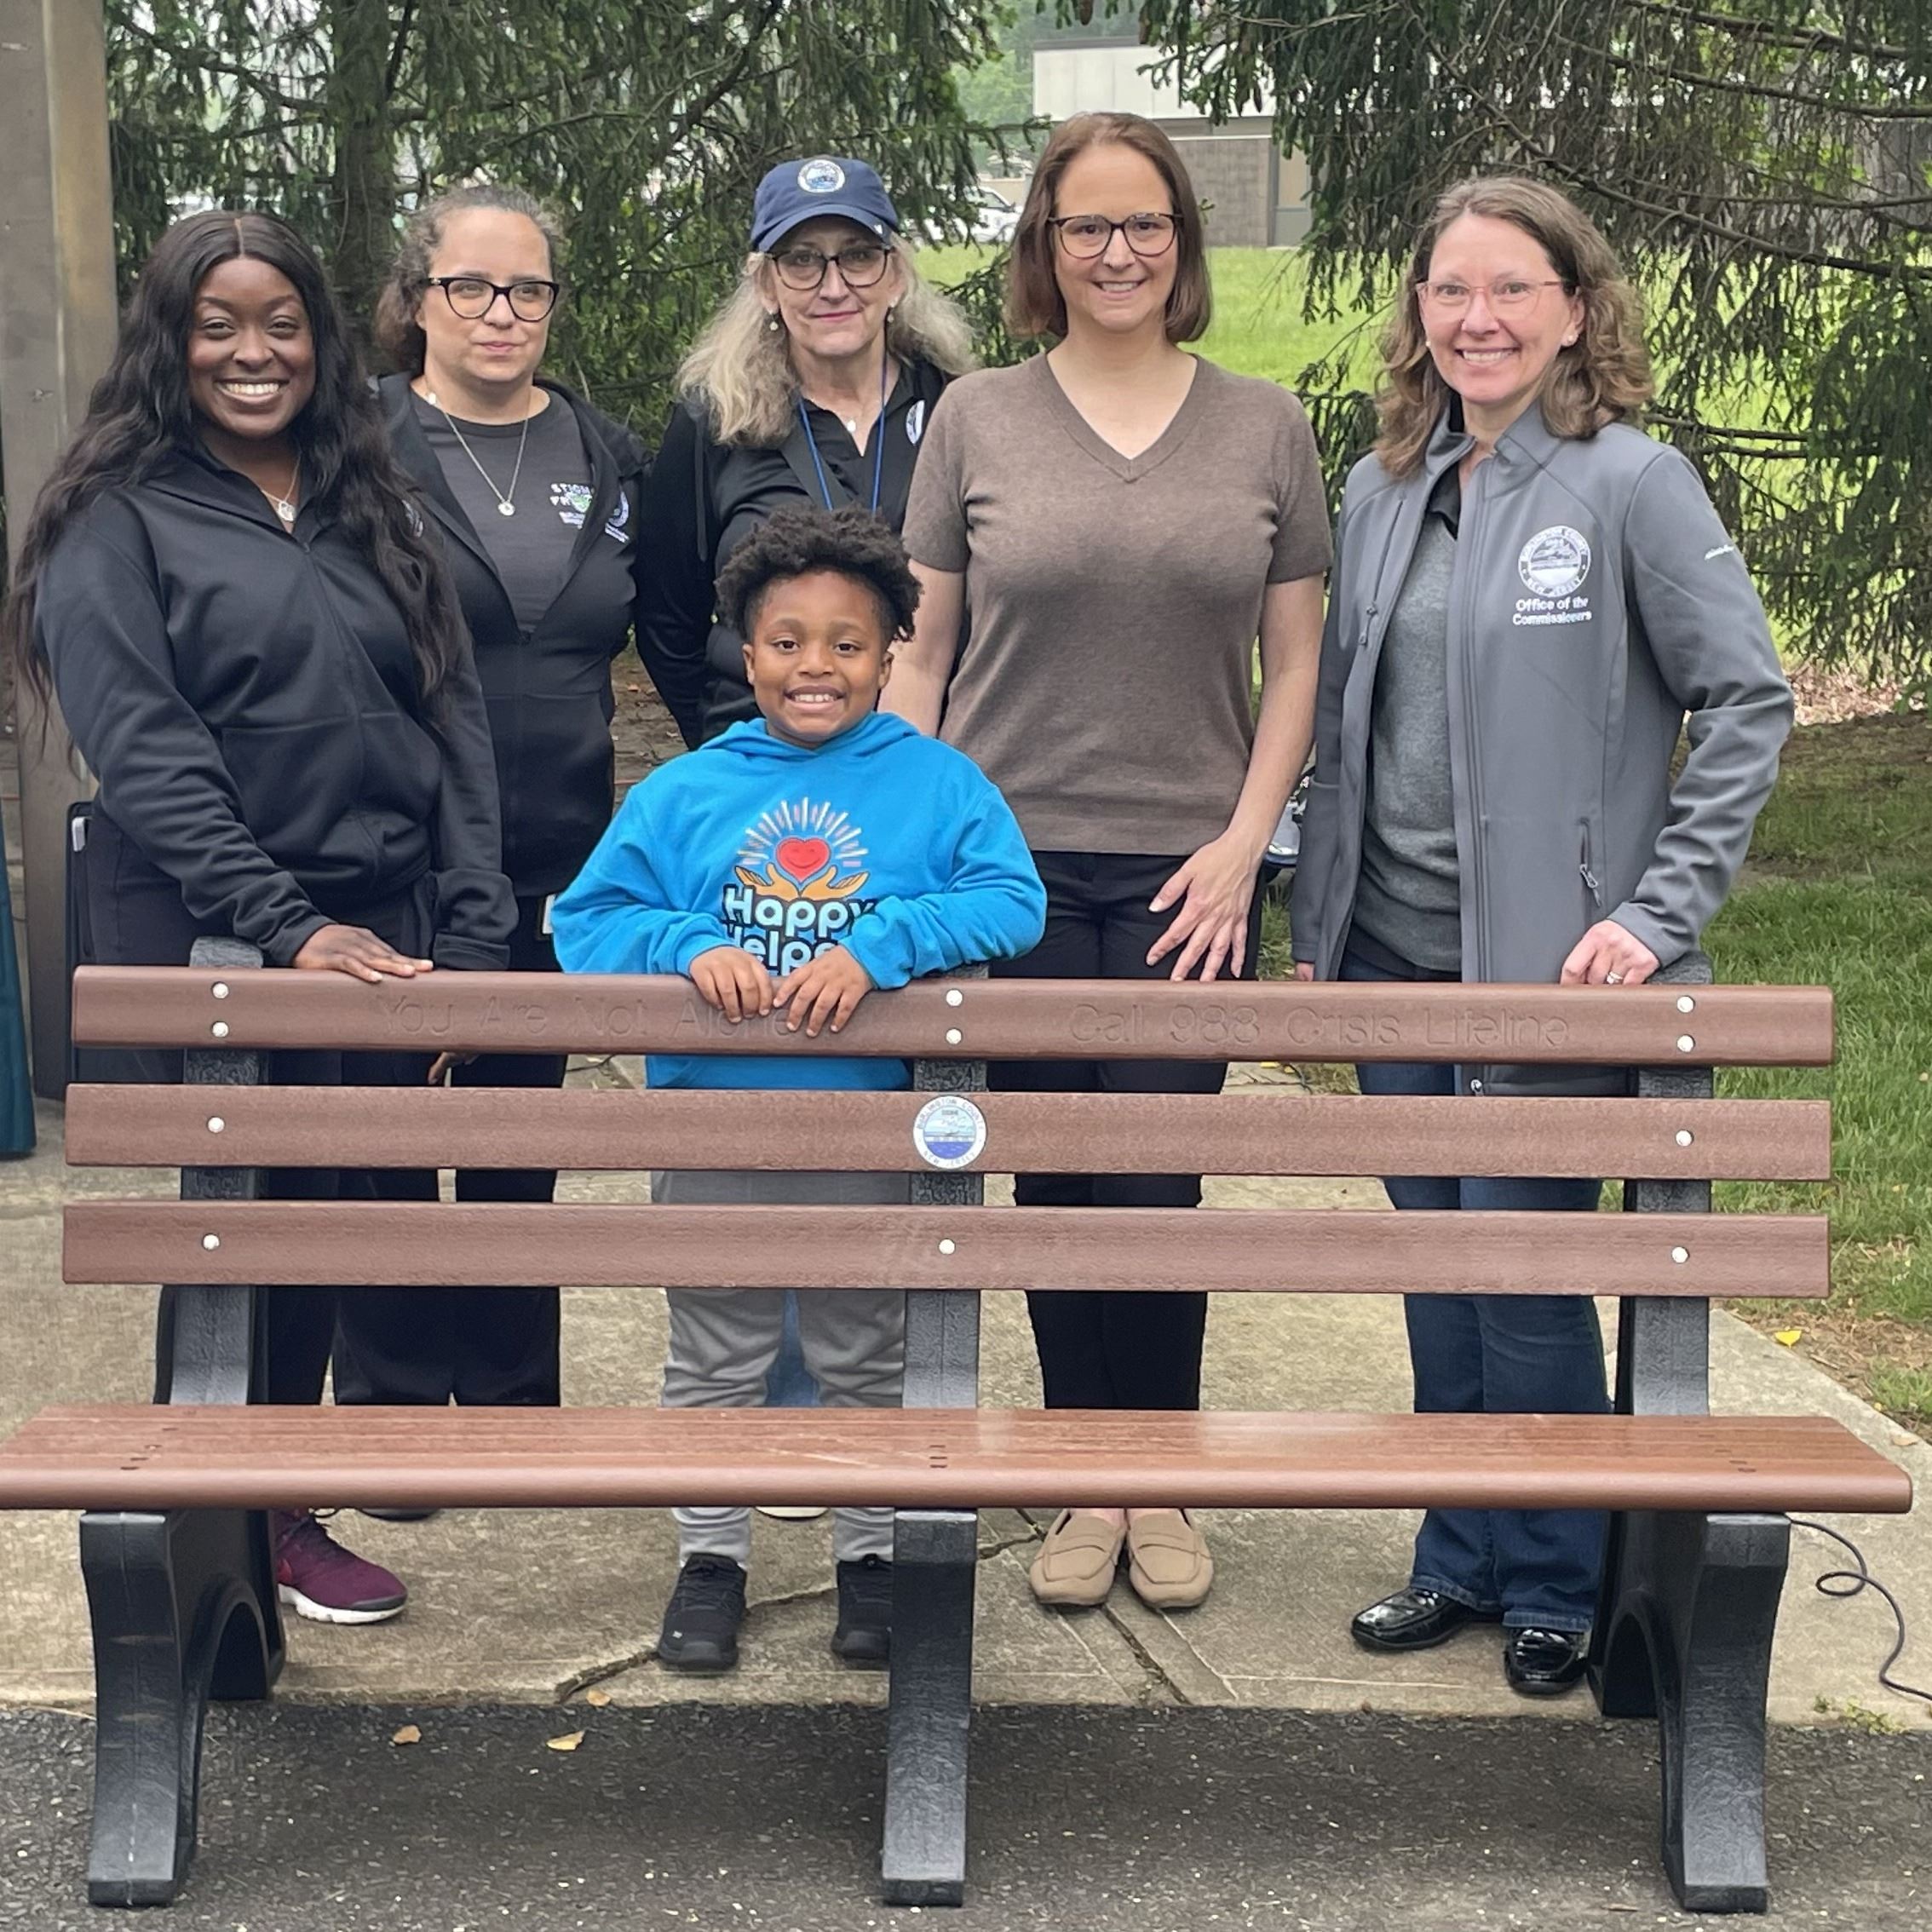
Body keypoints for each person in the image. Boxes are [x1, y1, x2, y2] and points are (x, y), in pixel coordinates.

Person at [1291, 175, 1792, 1695]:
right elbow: (1343, 718)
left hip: (1545, 970)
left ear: (1577, 309)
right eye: (1451, 290)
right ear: (1418, 312)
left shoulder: (1632, 482)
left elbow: (1751, 698)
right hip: (1390, 953)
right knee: (1440, 1268)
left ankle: (1559, 1575)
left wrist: (1656, 912)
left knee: (1524, 1267)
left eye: (1513, 288)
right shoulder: (1383, 486)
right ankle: (1459, 1552)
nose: (1478, 318)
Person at [4, 210, 515, 1624]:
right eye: (216, 322)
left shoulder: (376, 496)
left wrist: (470, 928)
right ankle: (245, 1518)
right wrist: (289, 931)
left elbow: (453, 718)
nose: (252, 351)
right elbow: (149, 752)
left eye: (280, 322)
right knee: (252, 1231)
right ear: (168, 342)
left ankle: (277, 1486)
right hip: (224, 936)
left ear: (323, 337)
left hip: (390, 922)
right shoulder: (116, 518)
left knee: (365, 1214)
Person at [891, 112, 1331, 1613]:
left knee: (1153, 1188)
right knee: (1048, 1186)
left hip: (1186, 877)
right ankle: (1087, 1475)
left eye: (1146, 223)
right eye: (1088, 226)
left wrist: (1242, 850)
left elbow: (1295, 665)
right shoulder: (976, 422)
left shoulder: (1266, 424)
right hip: (1005, 870)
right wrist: (918, 847)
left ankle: (1163, 1473)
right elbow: (923, 655)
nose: (1119, 250)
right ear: (1046, 246)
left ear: (1182, 243)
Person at [552, 504, 1044, 1671]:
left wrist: (886, 943)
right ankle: (711, 1560)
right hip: (715, 1123)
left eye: (845, 643)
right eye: (785, 641)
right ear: (745, 651)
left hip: (868, 1124)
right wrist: (684, 943)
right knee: (714, 1354)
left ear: (887, 657)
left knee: (863, 1353)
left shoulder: (938, 783)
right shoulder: (687, 792)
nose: (813, 667)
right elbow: (585, 921)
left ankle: (869, 1560)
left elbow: (1013, 900)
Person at [635, 152, 977, 1434]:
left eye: (856, 255)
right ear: (764, 279)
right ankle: (765, 1406)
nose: (831, 283)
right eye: (800, 258)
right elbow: (668, 611)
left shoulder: (964, 404)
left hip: (921, 793)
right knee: (761, 1076)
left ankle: (860, 1401)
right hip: (766, 800)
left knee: (873, 1088)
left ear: (895, 269)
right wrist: (735, 757)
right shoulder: (716, 416)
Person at [340, 184, 669, 1430]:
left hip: (564, 856)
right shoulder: (356, 448)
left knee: (518, 1130)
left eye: (527, 289)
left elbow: (675, 636)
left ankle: (515, 1386)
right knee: (385, 1137)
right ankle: (394, 1399)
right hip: (394, 851)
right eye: (470, 287)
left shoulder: (607, 451)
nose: (501, 312)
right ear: (415, 300)